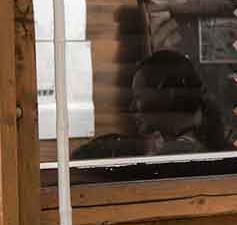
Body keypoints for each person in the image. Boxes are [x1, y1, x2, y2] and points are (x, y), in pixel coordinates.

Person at [72, 49, 227, 159]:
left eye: (138, 97)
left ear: (167, 96)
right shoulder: (197, 146)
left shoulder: (175, 158)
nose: (132, 108)